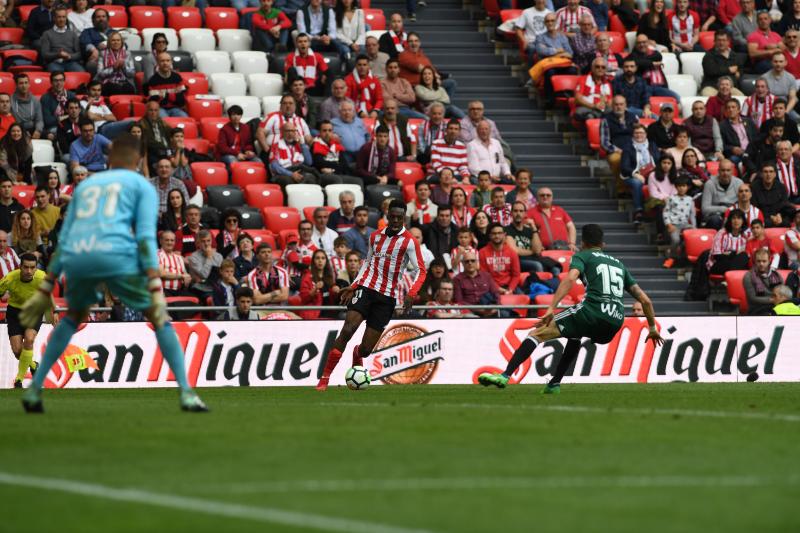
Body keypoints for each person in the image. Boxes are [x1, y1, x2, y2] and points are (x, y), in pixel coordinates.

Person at [18, 134, 207, 412]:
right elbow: (144, 238)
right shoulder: (142, 186)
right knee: (160, 319)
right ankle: (187, 393)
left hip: (81, 256)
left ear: (110, 157)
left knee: (71, 319)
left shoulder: (86, 186)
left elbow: (65, 239)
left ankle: (35, 390)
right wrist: (155, 286)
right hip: (117, 254)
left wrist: (46, 288)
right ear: (138, 160)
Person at [478, 223, 663, 392]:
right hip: (615, 321)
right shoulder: (619, 265)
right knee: (574, 334)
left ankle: (504, 376)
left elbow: (570, 278)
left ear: (583, 242)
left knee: (537, 333)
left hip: (593, 311)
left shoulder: (582, 256)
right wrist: (652, 328)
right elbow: (645, 300)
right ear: (603, 244)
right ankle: (554, 384)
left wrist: (551, 307)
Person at [316, 200, 425, 390]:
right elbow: (367, 264)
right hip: (366, 289)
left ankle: (357, 354)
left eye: (400, 218)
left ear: (404, 218)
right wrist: (354, 285)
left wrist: (411, 294)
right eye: (393, 217)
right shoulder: (375, 236)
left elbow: (421, 271)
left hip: (387, 297)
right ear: (387, 216)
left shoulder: (409, 242)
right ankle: (324, 378)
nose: (396, 221)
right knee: (348, 330)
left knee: (366, 350)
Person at [1, 254, 53, 389]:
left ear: (36, 268)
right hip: (14, 313)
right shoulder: (10, 279)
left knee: (29, 339)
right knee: (18, 351)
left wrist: (55, 312)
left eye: (32, 268)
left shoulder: (42, 277)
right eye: (26, 267)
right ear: (20, 267)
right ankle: (34, 365)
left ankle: (18, 380)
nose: (29, 271)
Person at [621, 123, 658, 221]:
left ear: (646, 134)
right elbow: (624, 167)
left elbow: (658, 161)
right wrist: (636, 174)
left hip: (652, 174)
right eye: (636, 133)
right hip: (632, 175)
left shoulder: (652, 145)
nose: (639, 135)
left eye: (641, 133)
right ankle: (639, 210)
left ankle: (655, 211)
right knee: (637, 183)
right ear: (633, 135)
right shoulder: (628, 147)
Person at [629, 34, 681, 102]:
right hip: (645, 87)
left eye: (644, 42)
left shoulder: (654, 53)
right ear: (635, 45)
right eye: (639, 43)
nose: (642, 45)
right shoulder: (633, 56)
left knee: (676, 98)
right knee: (646, 103)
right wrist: (652, 63)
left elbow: (658, 57)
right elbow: (636, 62)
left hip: (660, 86)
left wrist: (645, 62)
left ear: (648, 43)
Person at [601, 95, 640, 180]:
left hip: (633, 149)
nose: (619, 107)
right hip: (616, 151)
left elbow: (640, 135)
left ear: (625, 105)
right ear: (612, 106)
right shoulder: (606, 120)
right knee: (618, 160)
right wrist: (618, 150)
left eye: (621, 104)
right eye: (616, 104)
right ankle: (621, 190)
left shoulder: (634, 117)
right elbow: (604, 143)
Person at [662, 175, 695, 268]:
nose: (681, 188)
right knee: (676, 239)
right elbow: (665, 212)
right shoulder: (671, 198)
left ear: (687, 187)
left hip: (685, 225)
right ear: (676, 187)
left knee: (689, 240)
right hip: (674, 225)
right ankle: (671, 257)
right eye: (679, 186)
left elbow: (692, 215)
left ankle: (683, 258)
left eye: (684, 186)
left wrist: (694, 227)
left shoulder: (690, 199)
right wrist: (668, 224)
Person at [268, 121, 315, 186]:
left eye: (292, 131)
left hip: (299, 170)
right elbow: (274, 166)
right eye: (287, 131)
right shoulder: (276, 145)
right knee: (288, 180)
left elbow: (309, 162)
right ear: (282, 132)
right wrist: (291, 174)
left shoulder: (300, 146)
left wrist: (302, 143)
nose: (290, 134)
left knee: (311, 178)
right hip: (284, 173)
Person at [479, 223, 521, 294]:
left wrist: (510, 289)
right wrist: (497, 288)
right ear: (490, 235)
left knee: (523, 302)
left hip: (509, 286)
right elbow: (484, 276)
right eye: (494, 233)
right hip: (490, 286)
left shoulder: (512, 253)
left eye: (499, 233)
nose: (497, 236)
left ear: (504, 235)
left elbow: (516, 275)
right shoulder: (482, 252)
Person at [701, 30, 746, 96]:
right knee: (707, 96)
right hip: (712, 87)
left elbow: (740, 68)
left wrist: (739, 73)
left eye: (724, 40)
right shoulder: (708, 55)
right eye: (719, 40)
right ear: (715, 41)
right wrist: (729, 70)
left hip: (730, 88)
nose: (721, 43)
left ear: (728, 41)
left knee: (741, 98)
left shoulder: (735, 56)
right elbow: (711, 70)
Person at [40, 5, 84, 73]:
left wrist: (69, 56)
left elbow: (79, 54)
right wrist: (58, 54)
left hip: (71, 63)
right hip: (54, 63)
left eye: (64, 17)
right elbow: (44, 54)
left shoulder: (72, 34)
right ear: (54, 18)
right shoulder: (47, 34)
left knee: (81, 73)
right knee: (57, 75)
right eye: (59, 17)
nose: (61, 20)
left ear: (66, 18)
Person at [144, 52, 188, 118]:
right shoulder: (153, 80)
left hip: (176, 108)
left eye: (168, 60)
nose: (165, 63)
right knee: (165, 121)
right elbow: (154, 100)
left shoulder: (177, 77)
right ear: (158, 63)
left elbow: (181, 99)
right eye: (162, 61)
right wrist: (173, 96)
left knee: (184, 119)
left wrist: (165, 95)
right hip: (160, 109)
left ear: (171, 62)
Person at [706, 208, 749, 275]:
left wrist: (729, 254)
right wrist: (734, 254)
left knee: (744, 257)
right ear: (730, 221)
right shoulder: (722, 233)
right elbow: (717, 256)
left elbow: (745, 255)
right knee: (740, 265)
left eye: (739, 218)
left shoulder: (745, 236)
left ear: (743, 221)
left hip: (734, 263)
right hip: (718, 264)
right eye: (733, 218)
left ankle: (726, 282)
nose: (736, 221)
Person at [702, 159, 743, 229]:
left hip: (733, 215)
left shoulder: (739, 183)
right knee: (715, 220)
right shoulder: (709, 184)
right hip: (714, 216)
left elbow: (743, 205)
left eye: (728, 170)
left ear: (732, 171)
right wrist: (723, 209)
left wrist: (731, 212)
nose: (725, 173)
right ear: (718, 171)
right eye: (723, 170)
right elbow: (705, 209)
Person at [297, 248, 337, 319]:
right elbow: (303, 298)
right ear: (313, 261)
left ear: (326, 261)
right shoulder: (307, 277)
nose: (320, 261)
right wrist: (314, 290)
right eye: (317, 258)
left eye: (323, 258)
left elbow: (333, 299)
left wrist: (336, 292)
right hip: (314, 314)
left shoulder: (330, 277)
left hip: (330, 314)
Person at [751, 162, 793, 227]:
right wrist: (771, 217)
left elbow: (784, 205)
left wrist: (779, 215)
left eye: (771, 172)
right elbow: (755, 209)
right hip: (763, 218)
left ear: (775, 174)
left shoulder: (781, 187)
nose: (768, 174)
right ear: (761, 174)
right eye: (765, 172)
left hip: (778, 217)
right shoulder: (754, 187)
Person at [96, 30, 135, 96]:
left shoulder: (127, 53)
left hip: (124, 81)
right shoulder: (103, 54)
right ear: (109, 42)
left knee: (129, 89)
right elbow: (100, 73)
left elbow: (132, 73)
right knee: (116, 89)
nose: (116, 42)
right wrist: (113, 68)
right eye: (113, 40)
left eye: (118, 40)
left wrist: (124, 66)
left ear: (121, 42)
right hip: (108, 82)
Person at [186, 229, 223, 299]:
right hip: (200, 287)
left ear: (212, 241)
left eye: (208, 241)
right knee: (213, 298)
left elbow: (220, 275)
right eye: (203, 241)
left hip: (216, 286)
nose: (206, 244)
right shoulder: (193, 257)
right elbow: (205, 275)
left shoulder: (218, 256)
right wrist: (209, 257)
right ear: (198, 243)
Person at [762, 53, 799, 122]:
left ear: (785, 63)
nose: (778, 64)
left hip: (785, 107)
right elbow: (762, 97)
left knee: (797, 119)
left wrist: (785, 112)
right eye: (775, 61)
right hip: (768, 107)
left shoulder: (790, 77)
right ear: (771, 62)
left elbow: (793, 98)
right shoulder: (764, 78)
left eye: (781, 61)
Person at [345, 55, 384, 119]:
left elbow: (379, 99)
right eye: (359, 65)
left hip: (372, 109)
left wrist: (375, 111)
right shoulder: (348, 80)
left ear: (368, 66)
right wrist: (359, 112)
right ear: (356, 66)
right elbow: (347, 100)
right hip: (353, 110)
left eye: (364, 65)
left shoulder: (375, 80)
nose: (362, 67)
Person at [719, 98, 756, 164]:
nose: (731, 110)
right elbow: (722, 144)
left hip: (752, 151)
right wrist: (732, 149)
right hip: (737, 155)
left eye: (733, 107)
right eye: (728, 108)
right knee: (733, 160)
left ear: (739, 110)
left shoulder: (749, 121)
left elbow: (756, 137)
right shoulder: (722, 126)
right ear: (726, 111)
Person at [41, 72, 75, 140]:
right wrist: (68, 116)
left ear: (64, 81)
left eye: (61, 80)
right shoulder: (45, 98)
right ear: (51, 82)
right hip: (55, 127)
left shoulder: (71, 95)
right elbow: (47, 120)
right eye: (56, 80)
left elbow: (80, 112)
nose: (59, 83)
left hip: (71, 124)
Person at [158, 230, 192, 297]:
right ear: (161, 241)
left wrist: (187, 278)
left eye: (172, 240)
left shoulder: (179, 258)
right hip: (163, 291)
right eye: (167, 240)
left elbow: (185, 275)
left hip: (179, 291)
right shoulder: (157, 255)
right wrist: (181, 276)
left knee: (195, 301)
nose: (169, 243)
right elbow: (161, 273)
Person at [11, 74, 43, 139]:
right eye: (21, 83)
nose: (24, 86)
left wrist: (38, 131)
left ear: (29, 84)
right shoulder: (10, 100)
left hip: (33, 129)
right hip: (16, 130)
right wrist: (22, 132)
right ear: (16, 85)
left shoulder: (35, 100)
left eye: (26, 83)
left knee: (50, 135)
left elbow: (39, 120)